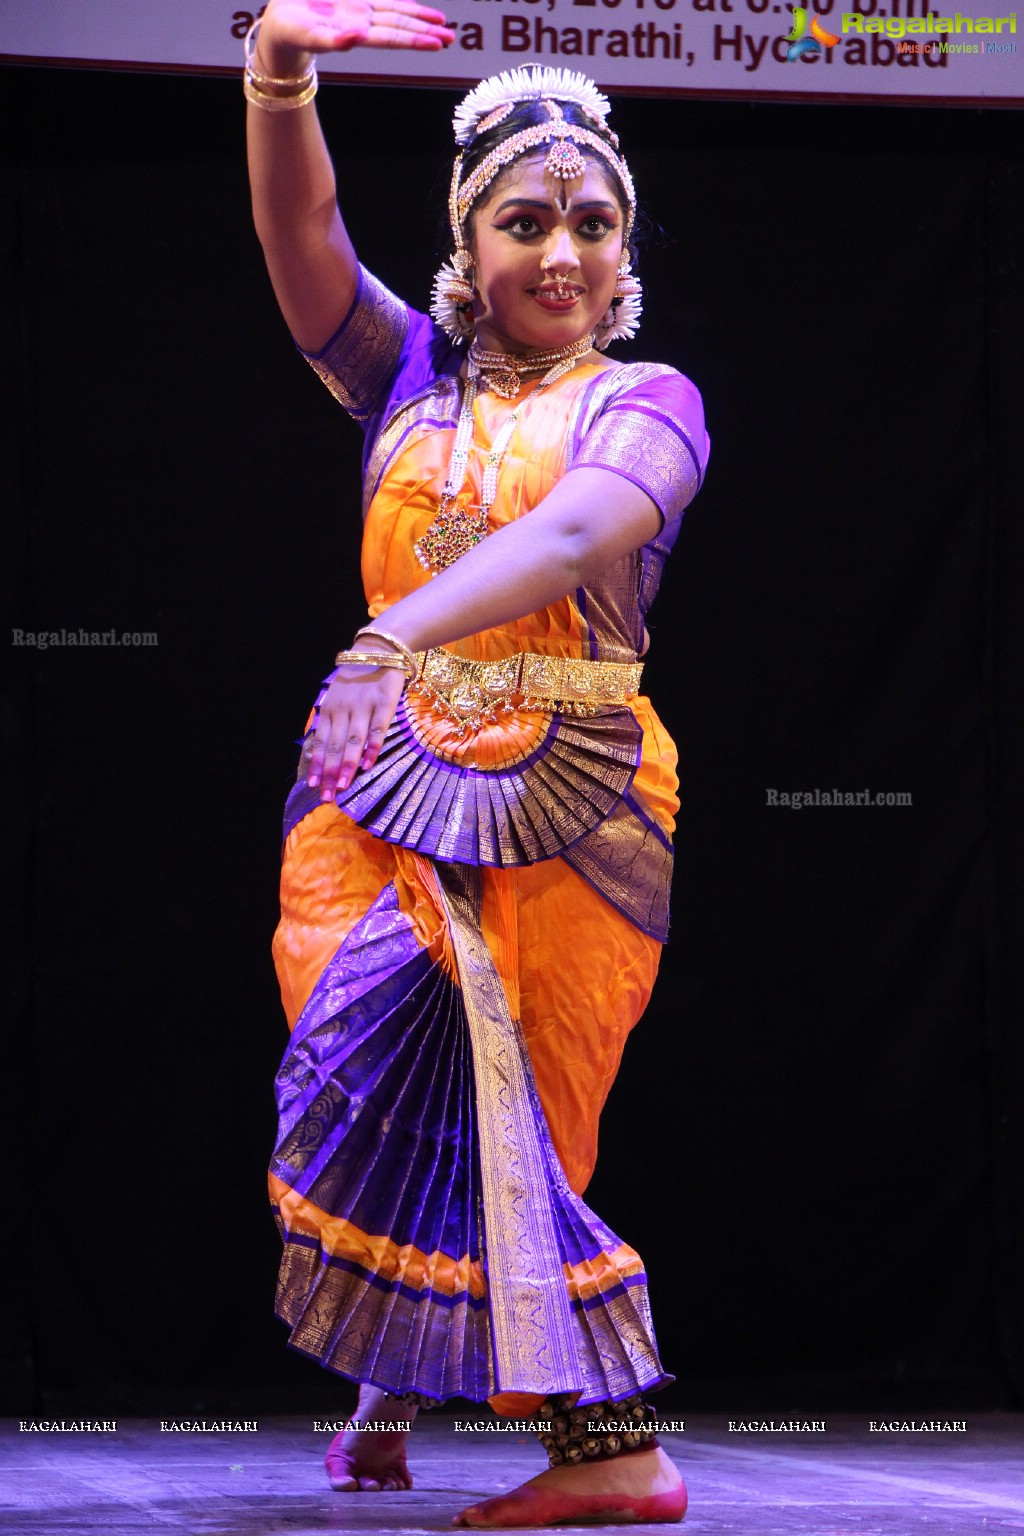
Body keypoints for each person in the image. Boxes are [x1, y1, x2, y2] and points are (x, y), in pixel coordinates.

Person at [247, 6, 709, 1525]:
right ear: (468, 245)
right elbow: (303, 231)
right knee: (368, 1057)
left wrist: (388, 642)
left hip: (571, 795)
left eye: (591, 224)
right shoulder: (405, 378)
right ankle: (397, 1376)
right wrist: (281, 65)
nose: (561, 254)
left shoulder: (647, 402)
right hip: (380, 787)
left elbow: (576, 537)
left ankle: (613, 1455)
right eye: (525, 223)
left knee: (521, 1114)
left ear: (623, 248)